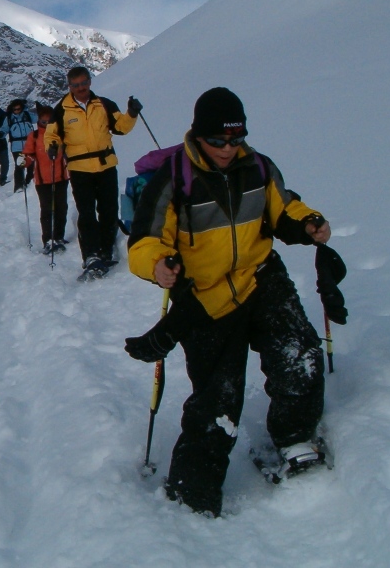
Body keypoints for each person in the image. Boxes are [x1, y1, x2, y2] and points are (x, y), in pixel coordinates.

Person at [124, 87, 332, 518]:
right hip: (206, 295)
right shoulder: (174, 178)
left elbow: (285, 208)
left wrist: (308, 223)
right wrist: (157, 264)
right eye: (218, 140)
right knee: (217, 397)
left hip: (260, 278)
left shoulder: (258, 167)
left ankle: (293, 437)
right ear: (199, 135)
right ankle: (192, 493)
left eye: (236, 139)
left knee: (299, 354)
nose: (227, 148)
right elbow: (144, 239)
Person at [44, 66, 141, 278]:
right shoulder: (61, 110)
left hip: (106, 166)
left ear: (89, 82)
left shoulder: (104, 104)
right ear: (69, 87)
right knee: (87, 212)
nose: (81, 88)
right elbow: (52, 135)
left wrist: (132, 113)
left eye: (84, 83)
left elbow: (121, 127)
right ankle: (91, 255)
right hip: (80, 169)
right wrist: (52, 146)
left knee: (108, 209)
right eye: (76, 85)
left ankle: (106, 249)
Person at [23, 102, 69, 253]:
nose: (47, 124)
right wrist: (24, 161)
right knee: (47, 210)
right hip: (42, 180)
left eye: (50, 121)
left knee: (61, 208)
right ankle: (48, 239)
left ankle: (59, 236)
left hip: (61, 177)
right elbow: (29, 154)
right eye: (44, 121)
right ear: (39, 121)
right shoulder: (34, 136)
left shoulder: (60, 134)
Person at [3, 99, 36, 191]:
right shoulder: (9, 118)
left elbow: (38, 118)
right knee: (19, 165)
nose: (17, 111)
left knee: (31, 165)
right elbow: (4, 129)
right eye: (15, 109)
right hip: (17, 147)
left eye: (19, 109)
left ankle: (29, 183)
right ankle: (19, 186)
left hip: (29, 145)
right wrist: (0, 134)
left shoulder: (27, 115)